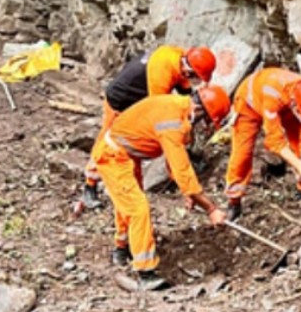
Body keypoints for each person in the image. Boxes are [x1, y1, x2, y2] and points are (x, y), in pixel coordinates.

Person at [91, 85, 231, 290]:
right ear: (199, 110)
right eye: (206, 120)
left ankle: (122, 248)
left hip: (126, 155)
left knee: (128, 204)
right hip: (113, 156)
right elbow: (183, 170)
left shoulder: (177, 110)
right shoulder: (173, 122)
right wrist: (211, 209)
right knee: (138, 209)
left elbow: (174, 162)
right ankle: (145, 272)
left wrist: (189, 193)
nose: (204, 126)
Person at [81, 45, 217, 208]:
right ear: (189, 71)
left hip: (137, 97)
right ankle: (90, 185)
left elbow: (185, 95)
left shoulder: (178, 58)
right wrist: (178, 169)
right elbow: (161, 118)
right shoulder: (162, 73)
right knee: (107, 142)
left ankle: (129, 192)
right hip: (120, 100)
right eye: (197, 77)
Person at [224, 68, 301, 220]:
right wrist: (298, 164)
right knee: (242, 155)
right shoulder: (272, 94)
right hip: (249, 106)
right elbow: (274, 141)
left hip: (286, 108)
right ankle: (234, 201)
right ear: (294, 102)